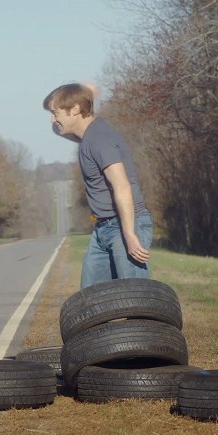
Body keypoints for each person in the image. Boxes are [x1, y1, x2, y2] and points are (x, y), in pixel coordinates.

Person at [42, 83, 152, 289]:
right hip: (104, 229)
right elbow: (58, 131)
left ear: (74, 110)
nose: (52, 119)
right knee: (91, 302)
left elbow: (122, 187)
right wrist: (86, 94)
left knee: (137, 297)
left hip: (125, 225)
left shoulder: (100, 138)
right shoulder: (87, 137)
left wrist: (129, 234)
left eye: (55, 112)